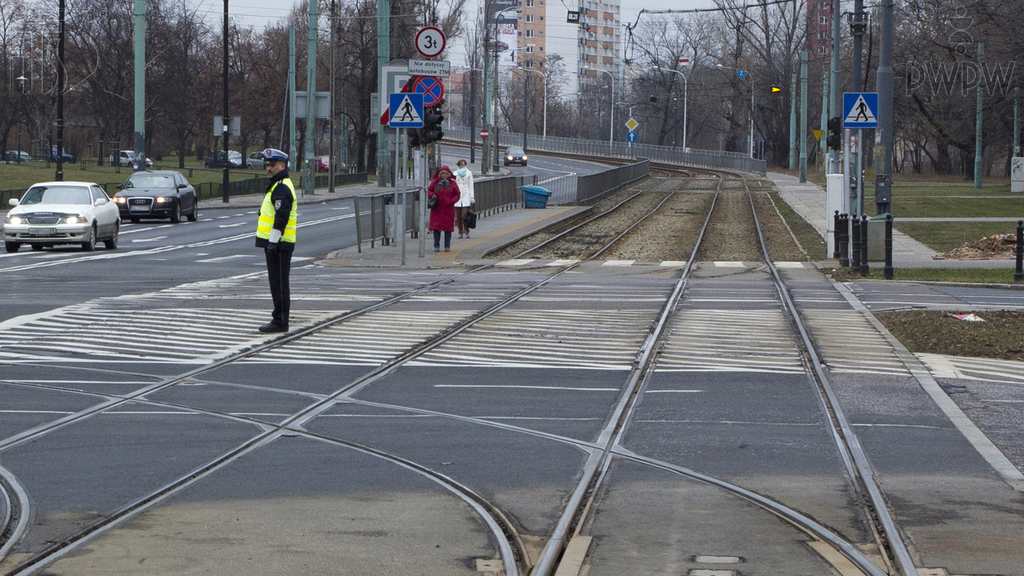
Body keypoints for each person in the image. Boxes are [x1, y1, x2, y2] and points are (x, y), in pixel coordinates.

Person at [254, 148, 297, 333]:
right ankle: (279, 319)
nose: (268, 168)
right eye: (267, 165)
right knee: (277, 282)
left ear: (282, 165)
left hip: (279, 244)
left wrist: (273, 242)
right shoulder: (277, 185)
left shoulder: (281, 187)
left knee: (279, 283)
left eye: (272, 165)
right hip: (276, 243)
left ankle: (280, 321)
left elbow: (281, 217)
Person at [427, 165, 461, 252]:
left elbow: (457, 194)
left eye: (446, 173)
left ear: (449, 174)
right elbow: (428, 190)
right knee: (436, 229)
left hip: (448, 209)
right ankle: (436, 246)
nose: (444, 175)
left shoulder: (453, 183)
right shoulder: (435, 182)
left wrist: (452, 201)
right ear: (439, 174)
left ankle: (447, 246)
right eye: (442, 173)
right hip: (437, 209)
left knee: (448, 229)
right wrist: (432, 195)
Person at [453, 159, 475, 238]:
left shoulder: (469, 173)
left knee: (464, 215)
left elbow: (471, 185)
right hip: (457, 197)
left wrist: (471, 197)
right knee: (458, 216)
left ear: (465, 165)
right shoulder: (455, 174)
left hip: (466, 196)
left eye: (462, 165)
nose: (461, 166)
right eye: (460, 165)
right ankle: (460, 230)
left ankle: (466, 229)